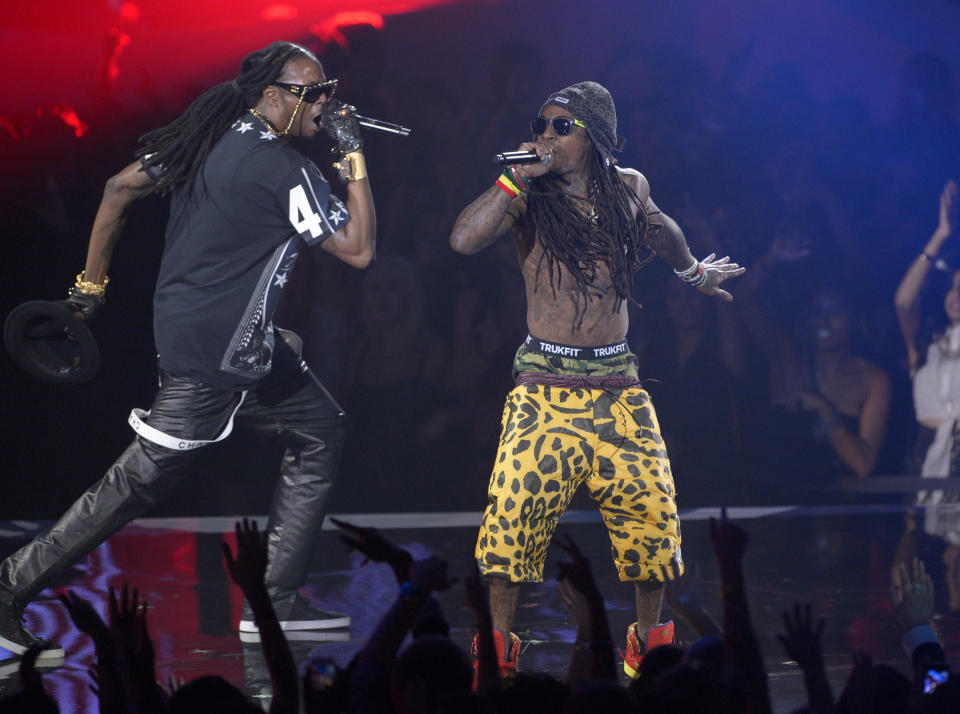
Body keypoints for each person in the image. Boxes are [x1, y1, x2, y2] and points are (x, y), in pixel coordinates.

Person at [0, 40, 376, 659]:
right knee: (132, 486)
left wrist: (88, 291)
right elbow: (359, 248)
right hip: (216, 360)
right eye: (313, 93)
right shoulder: (288, 170)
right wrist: (353, 154)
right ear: (272, 96)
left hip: (203, 337)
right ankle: (8, 588)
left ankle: (276, 604)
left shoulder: (208, 137)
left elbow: (119, 188)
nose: (327, 102)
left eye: (329, 88)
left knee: (319, 427)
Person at [448, 81, 744, 678]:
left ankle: (650, 653)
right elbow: (463, 240)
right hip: (544, 391)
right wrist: (513, 180)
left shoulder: (627, 187)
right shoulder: (526, 195)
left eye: (562, 127)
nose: (546, 136)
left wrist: (692, 274)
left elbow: (662, 231)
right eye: (542, 124)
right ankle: (496, 658)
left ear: (595, 136)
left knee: (655, 529)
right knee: (509, 533)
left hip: (617, 386)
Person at [894, 179, 960, 611]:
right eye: (954, 287)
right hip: (924, 457)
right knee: (915, 552)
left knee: (956, 561)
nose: (956, 296)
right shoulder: (930, 346)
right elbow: (903, 302)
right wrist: (939, 237)